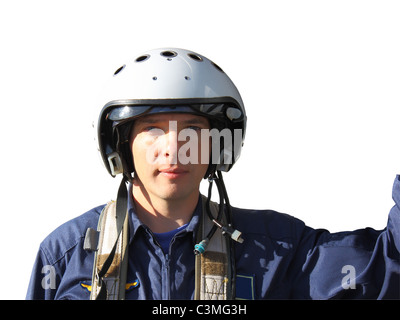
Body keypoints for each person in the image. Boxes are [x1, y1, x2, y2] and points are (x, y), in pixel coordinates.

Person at [26, 48, 399, 300]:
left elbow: (385, 267)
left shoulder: (279, 250)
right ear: (122, 146)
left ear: (218, 146)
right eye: (152, 129)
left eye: (192, 130)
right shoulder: (65, 257)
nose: (174, 147)